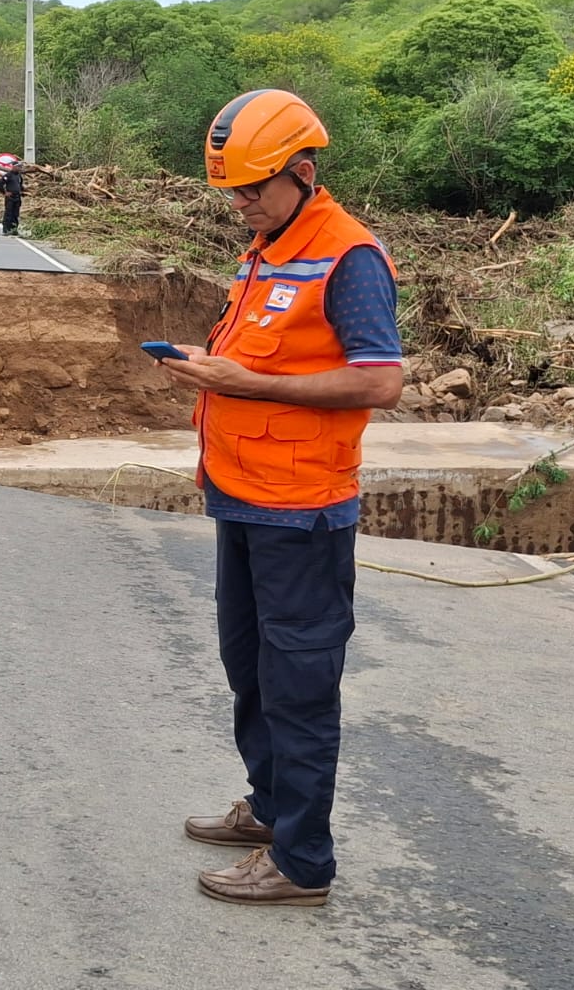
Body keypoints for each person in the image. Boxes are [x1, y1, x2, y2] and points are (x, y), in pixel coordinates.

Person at [156, 89, 402, 908]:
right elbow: (267, 357)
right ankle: (267, 810)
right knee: (251, 671)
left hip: (302, 511)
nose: (241, 204)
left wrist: (246, 381)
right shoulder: (267, 247)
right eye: (233, 191)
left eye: (254, 188)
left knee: (299, 688)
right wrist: (209, 366)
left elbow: (381, 380)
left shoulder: (348, 256)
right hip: (241, 495)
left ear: (301, 170)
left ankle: (301, 863)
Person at [0, 160, 24, 235]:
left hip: (17, 197)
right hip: (10, 197)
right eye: (18, 167)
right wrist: (5, 192)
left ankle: (14, 229)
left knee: (16, 214)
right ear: (13, 166)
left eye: (20, 167)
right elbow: (0, 184)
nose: (20, 168)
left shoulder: (19, 176)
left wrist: (21, 191)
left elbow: (20, 185)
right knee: (8, 213)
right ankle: (6, 229)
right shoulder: (8, 175)